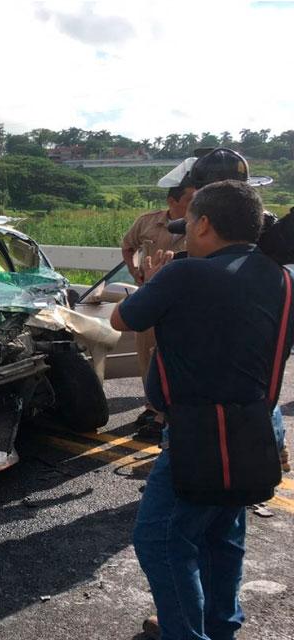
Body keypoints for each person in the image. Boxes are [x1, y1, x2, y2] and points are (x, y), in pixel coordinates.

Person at [110, 179, 292, 640]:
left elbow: (121, 318)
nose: (184, 233)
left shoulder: (183, 274)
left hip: (199, 435)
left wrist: (155, 281)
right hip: (254, 428)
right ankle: (219, 626)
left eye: (188, 223)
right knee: (221, 537)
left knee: (159, 539)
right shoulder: (278, 276)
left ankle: (186, 632)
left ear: (205, 223)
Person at [121, 185, 195, 433]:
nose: (196, 203)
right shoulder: (147, 222)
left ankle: (167, 413)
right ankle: (153, 406)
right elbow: (128, 246)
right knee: (147, 354)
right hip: (152, 298)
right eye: (190, 199)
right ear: (172, 201)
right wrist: (135, 271)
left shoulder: (202, 225)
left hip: (186, 302)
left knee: (174, 355)